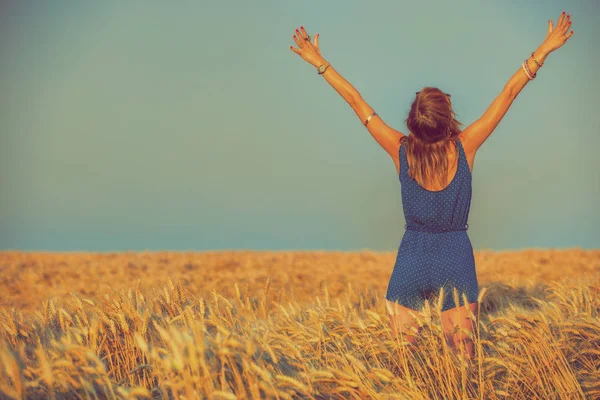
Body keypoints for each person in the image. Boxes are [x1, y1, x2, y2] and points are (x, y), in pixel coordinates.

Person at [290, 12, 574, 360]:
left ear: (414, 120)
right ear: (447, 118)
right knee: (463, 362)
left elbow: (355, 101)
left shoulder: (400, 150)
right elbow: (510, 91)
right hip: (455, 257)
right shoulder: (465, 146)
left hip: (412, 258)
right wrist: (545, 48)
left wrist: (318, 61)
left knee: (403, 363)